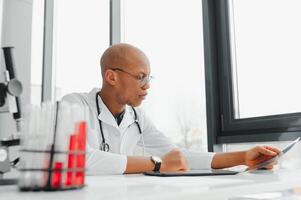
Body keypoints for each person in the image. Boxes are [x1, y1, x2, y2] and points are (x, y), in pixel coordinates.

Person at [62, 43, 280, 175]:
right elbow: (79, 159)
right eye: (140, 77)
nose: (147, 86)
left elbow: (177, 157)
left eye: (148, 78)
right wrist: (156, 164)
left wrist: (244, 157)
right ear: (111, 77)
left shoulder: (137, 117)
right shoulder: (74, 105)